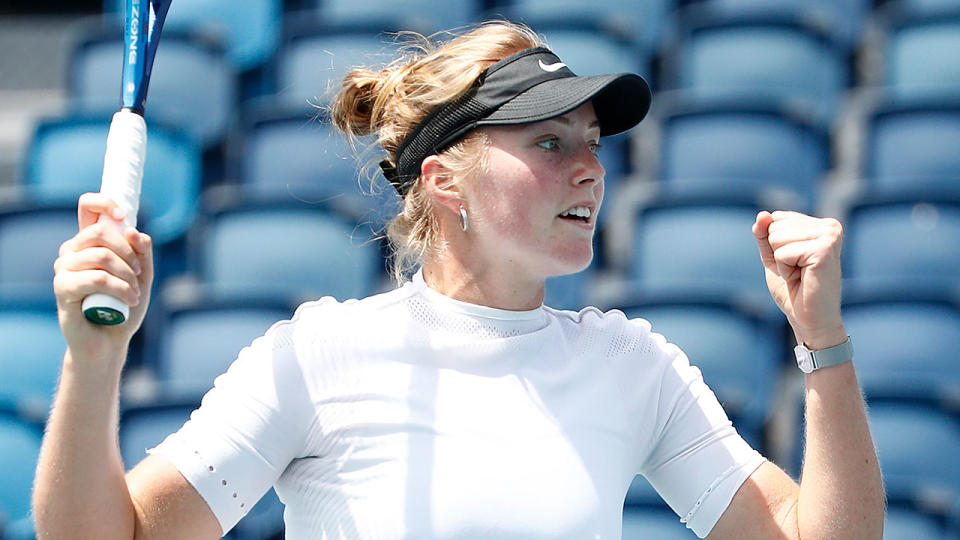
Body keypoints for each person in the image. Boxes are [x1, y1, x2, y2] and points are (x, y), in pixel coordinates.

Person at [34, 20, 884, 540]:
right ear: (446, 182)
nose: (591, 168)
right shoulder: (318, 355)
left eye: (592, 142)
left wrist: (824, 343)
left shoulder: (635, 367)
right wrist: (91, 363)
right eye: (550, 143)